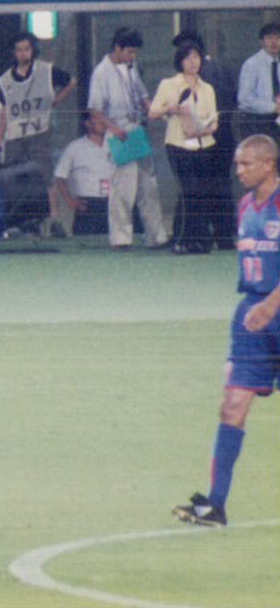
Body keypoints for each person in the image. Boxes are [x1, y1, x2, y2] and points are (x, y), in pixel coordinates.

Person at [172, 135, 280, 528]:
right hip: (251, 317)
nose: (239, 171)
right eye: (237, 164)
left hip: (272, 309)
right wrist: (258, 308)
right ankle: (215, 505)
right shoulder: (244, 206)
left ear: (269, 164)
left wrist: (271, 305)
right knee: (233, 404)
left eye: (246, 164)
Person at [88, 27, 169, 250]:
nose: (132, 56)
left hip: (137, 131)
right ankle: (120, 238)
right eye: (129, 52)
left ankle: (156, 236)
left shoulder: (132, 68)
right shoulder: (101, 72)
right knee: (122, 189)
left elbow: (143, 96)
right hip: (118, 133)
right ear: (117, 48)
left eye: (135, 52)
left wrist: (155, 111)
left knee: (148, 186)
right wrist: (113, 128)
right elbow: (94, 109)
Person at [0, 31, 76, 234]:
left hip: (39, 132)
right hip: (14, 135)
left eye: (27, 49)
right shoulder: (5, 80)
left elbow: (71, 81)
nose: (23, 53)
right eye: (19, 50)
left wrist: (56, 100)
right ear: (14, 52)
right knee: (12, 179)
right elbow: (4, 110)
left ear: (33, 50)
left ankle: (53, 220)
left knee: (45, 176)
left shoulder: (46, 71)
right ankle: (15, 222)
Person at [150, 39, 220, 255]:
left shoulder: (207, 88)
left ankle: (200, 239)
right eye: (187, 58)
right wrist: (170, 108)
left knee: (202, 192)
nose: (192, 62)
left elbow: (214, 119)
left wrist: (207, 129)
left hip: (204, 143)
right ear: (180, 61)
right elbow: (153, 112)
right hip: (178, 144)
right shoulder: (169, 84)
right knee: (188, 190)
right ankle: (183, 239)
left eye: (196, 57)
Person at [51, 112, 115, 236]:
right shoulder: (75, 147)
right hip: (88, 204)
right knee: (85, 241)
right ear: (88, 124)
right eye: (98, 120)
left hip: (113, 202)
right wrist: (70, 201)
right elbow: (60, 176)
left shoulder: (114, 143)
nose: (103, 123)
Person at [236, 21, 280, 143]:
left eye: (278, 38)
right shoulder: (252, 64)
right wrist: (273, 107)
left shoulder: (278, 64)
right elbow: (244, 99)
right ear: (261, 42)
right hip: (256, 122)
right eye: (269, 38)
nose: (274, 42)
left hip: (276, 121)